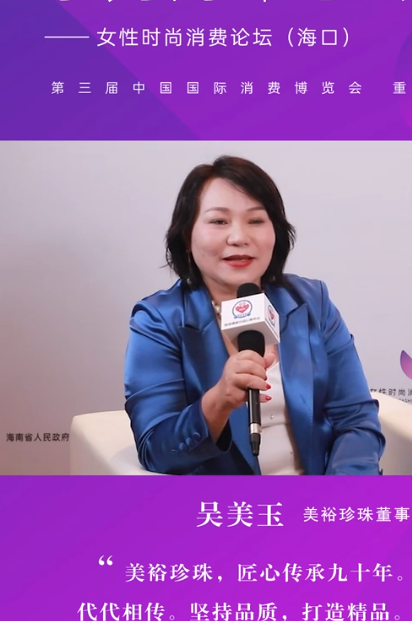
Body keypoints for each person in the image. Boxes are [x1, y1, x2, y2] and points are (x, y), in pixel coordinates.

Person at [124, 156, 384, 475]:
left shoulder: (311, 301)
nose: (239, 237)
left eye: (256, 220)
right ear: (187, 237)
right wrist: (217, 403)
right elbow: (155, 450)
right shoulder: (158, 320)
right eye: (219, 221)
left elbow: (356, 420)